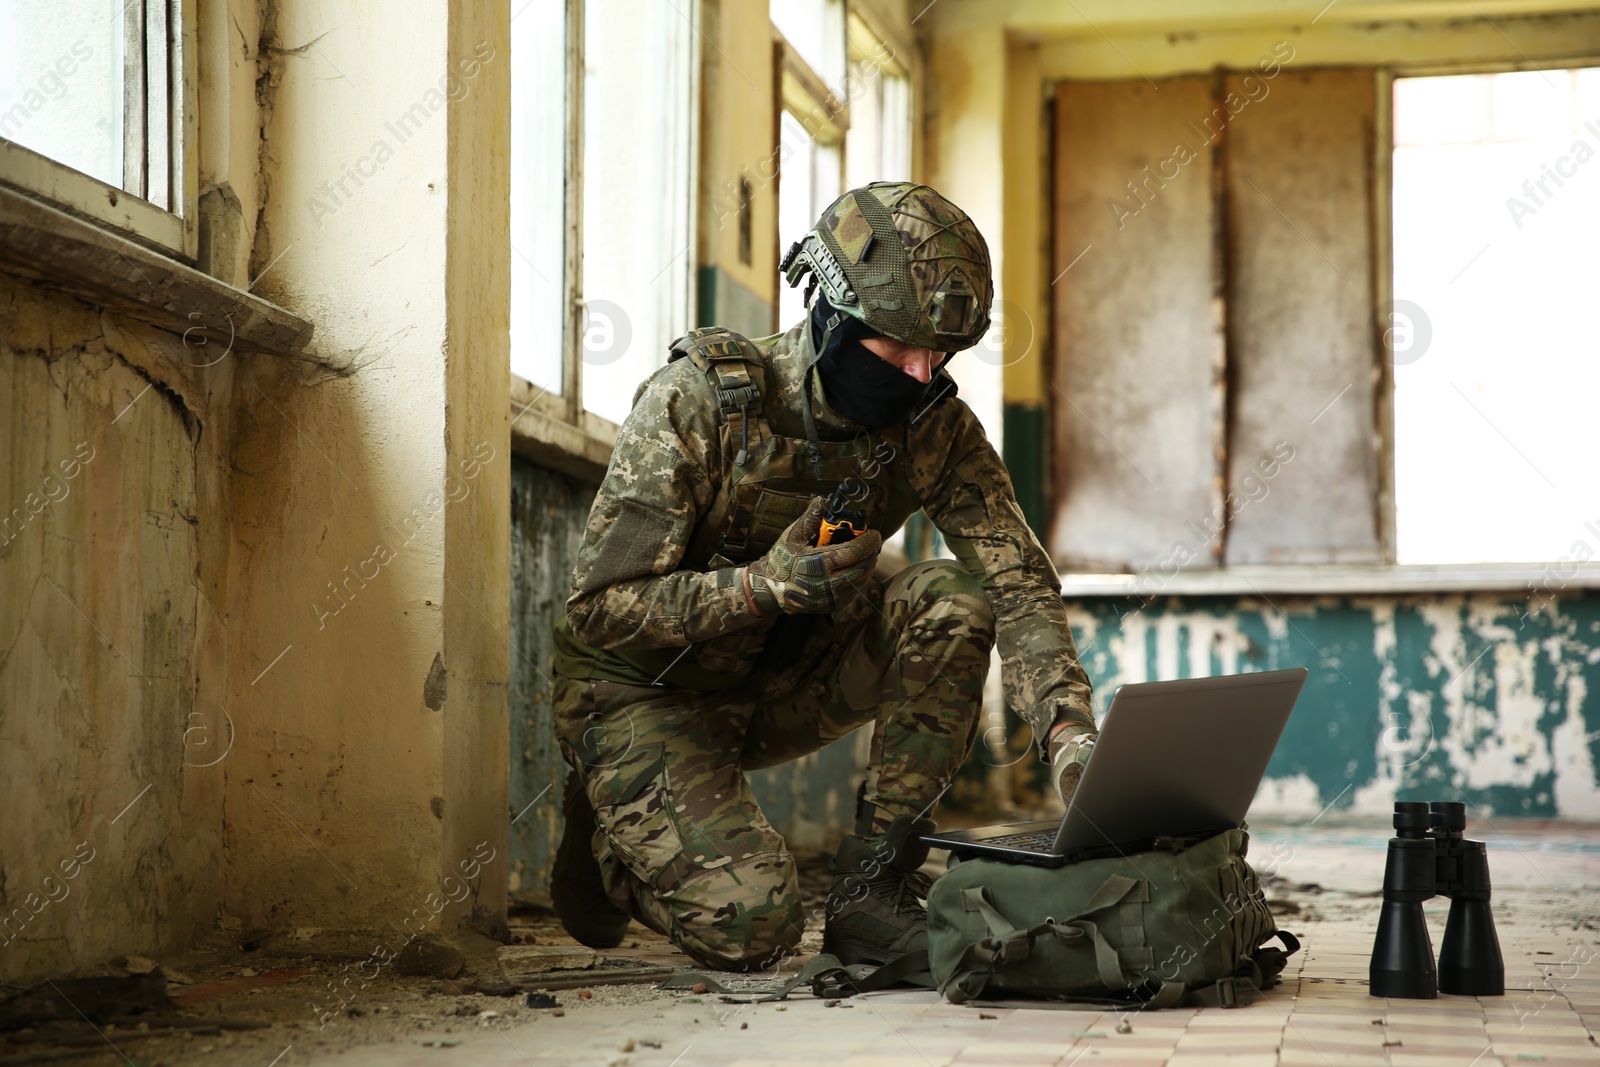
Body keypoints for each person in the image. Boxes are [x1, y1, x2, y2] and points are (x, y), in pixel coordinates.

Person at [548, 182, 1096, 972]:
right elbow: (600, 610)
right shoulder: (701, 401)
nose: (920, 371)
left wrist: (1066, 729)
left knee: (949, 601)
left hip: (776, 677)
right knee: (753, 929)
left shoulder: (932, 427)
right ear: (833, 317)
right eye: (897, 347)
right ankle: (609, 836)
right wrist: (759, 586)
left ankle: (872, 893)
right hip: (640, 692)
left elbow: (1017, 580)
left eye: (939, 354)